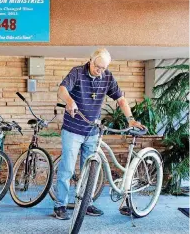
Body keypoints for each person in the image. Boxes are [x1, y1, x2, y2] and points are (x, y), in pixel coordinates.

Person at [53, 48, 146, 220]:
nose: (100, 71)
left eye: (103, 68)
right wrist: (69, 101)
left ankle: (85, 204)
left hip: (93, 132)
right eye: (97, 67)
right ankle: (60, 206)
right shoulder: (77, 72)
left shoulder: (107, 76)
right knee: (67, 169)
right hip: (73, 130)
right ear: (90, 61)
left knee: (90, 172)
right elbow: (62, 89)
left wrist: (130, 119)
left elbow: (120, 99)